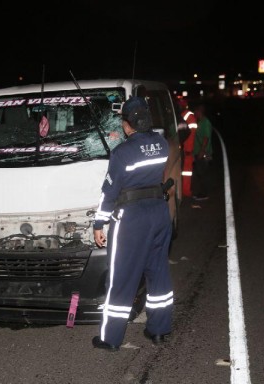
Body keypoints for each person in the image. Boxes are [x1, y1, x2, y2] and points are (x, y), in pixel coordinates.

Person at [91, 96, 174, 351]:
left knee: (121, 278)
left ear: (128, 124)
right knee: (158, 273)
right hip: (159, 214)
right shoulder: (161, 144)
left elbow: (110, 192)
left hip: (132, 220)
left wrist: (99, 223)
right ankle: (159, 329)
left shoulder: (121, 153)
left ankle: (110, 338)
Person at [191, 102, 214, 201]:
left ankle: (204, 194)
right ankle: (201, 192)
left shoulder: (205, 122)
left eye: (195, 111)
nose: (194, 113)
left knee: (202, 173)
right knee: (199, 173)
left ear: (199, 111)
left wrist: (202, 151)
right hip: (197, 152)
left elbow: (206, 138)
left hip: (203, 153)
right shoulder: (199, 122)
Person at [176, 98, 197, 197]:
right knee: (185, 172)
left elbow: (191, 135)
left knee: (186, 172)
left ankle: (185, 191)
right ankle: (185, 191)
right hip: (185, 149)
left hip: (186, 149)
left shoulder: (187, 116)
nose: (179, 106)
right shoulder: (185, 115)